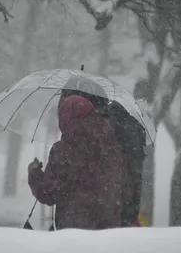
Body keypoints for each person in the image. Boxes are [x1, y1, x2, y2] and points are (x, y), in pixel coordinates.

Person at [28, 95, 133, 230]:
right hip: (108, 234)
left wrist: (34, 173)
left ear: (66, 116)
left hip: (74, 234)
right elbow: (127, 191)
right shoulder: (113, 148)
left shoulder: (64, 150)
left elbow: (48, 193)